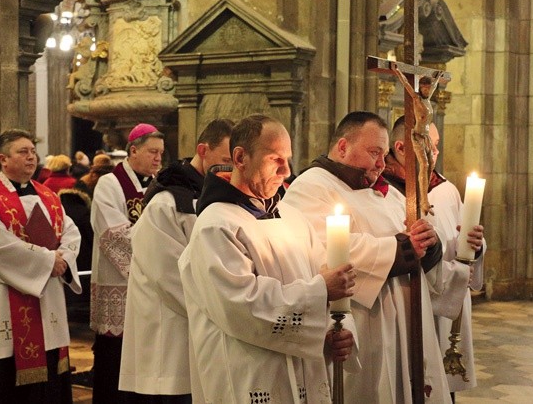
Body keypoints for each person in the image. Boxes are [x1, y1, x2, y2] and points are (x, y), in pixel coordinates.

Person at [178, 114, 358, 403]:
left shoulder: (293, 217)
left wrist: (338, 331)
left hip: (305, 371)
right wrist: (320, 290)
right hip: (250, 374)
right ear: (240, 158)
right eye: (275, 158)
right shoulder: (216, 225)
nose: (287, 170)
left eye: (288, 158)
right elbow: (241, 306)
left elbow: (330, 281)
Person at [283, 111, 452, 404]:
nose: (381, 164)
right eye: (374, 152)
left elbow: (421, 235)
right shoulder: (311, 186)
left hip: (409, 322)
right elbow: (324, 250)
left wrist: (431, 242)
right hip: (364, 323)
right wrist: (403, 248)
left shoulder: (387, 193)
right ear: (343, 146)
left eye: (384, 155)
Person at [0, 129, 82, 404]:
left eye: (32, 151)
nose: (31, 157)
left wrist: (63, 259)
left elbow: (71, 233)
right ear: (3, 159)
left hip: (47, 299)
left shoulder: (50, 197)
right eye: (22, 152)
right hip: (1, 303)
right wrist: (49, 260)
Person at [119, 118, 234, 403]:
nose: (230, 170)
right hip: (170, 330)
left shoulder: (214, 195)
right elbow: (166, 274)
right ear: (203, 150)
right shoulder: (168, 201)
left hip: (205, 324)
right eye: (225, 160)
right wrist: (224, 307)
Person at [383, 116, 485, 401]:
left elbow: (462, 242)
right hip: (410, 302)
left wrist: (475, 244)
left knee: (444, 388)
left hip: (448, 303)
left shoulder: (445, 189)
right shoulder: (384, 191)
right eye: (430, 145)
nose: (436, 153)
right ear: (401, 147)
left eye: (437, 145)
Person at [90, 123, 164, 404]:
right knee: (114, 360)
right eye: (152, 152)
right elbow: (112, 234)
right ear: (133, 150)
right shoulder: (110, 183)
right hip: (120, 284)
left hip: (150, 287)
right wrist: (156, 254)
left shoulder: (162, 185)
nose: (158, 158)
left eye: (161, 153)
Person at [391, 63, 443, 216]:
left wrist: (438, 77)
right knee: (425, 164)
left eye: (437, 144)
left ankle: (424, 195)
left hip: (425, 136)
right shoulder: (417, 99)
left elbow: (433, 87)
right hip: (418, 136)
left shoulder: (427, 99)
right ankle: (423, 200)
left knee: (430, 164)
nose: (427, 90)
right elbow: (407, 85)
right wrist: (398, 71)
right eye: (425, 88)